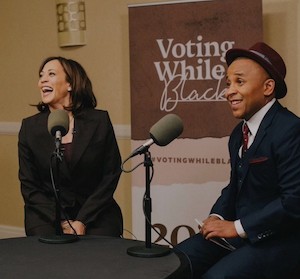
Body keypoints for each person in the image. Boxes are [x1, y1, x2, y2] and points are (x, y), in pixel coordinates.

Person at [176, 42, 300, 279]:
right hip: (241, 235)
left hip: (281, 241)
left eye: (239, 82)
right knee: (176, 262)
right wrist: (218, 217)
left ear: (268, 87)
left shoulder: (291, 130)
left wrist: (237, 227)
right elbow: (235, 187)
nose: (228, 91)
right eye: (227, 83)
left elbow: (293, 202)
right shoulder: (237, 134)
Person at [18, 56, 123, 237]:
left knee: (102, 255)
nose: (42, 80)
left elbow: (110, 175)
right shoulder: (29, 128)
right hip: (46, 214)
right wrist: (62, 222)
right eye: (41, 75)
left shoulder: (99, 121)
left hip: (95, 211)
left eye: (51, 74)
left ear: (70, 84)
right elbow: (30, 185)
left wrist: (82, 220)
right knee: (47, 254)